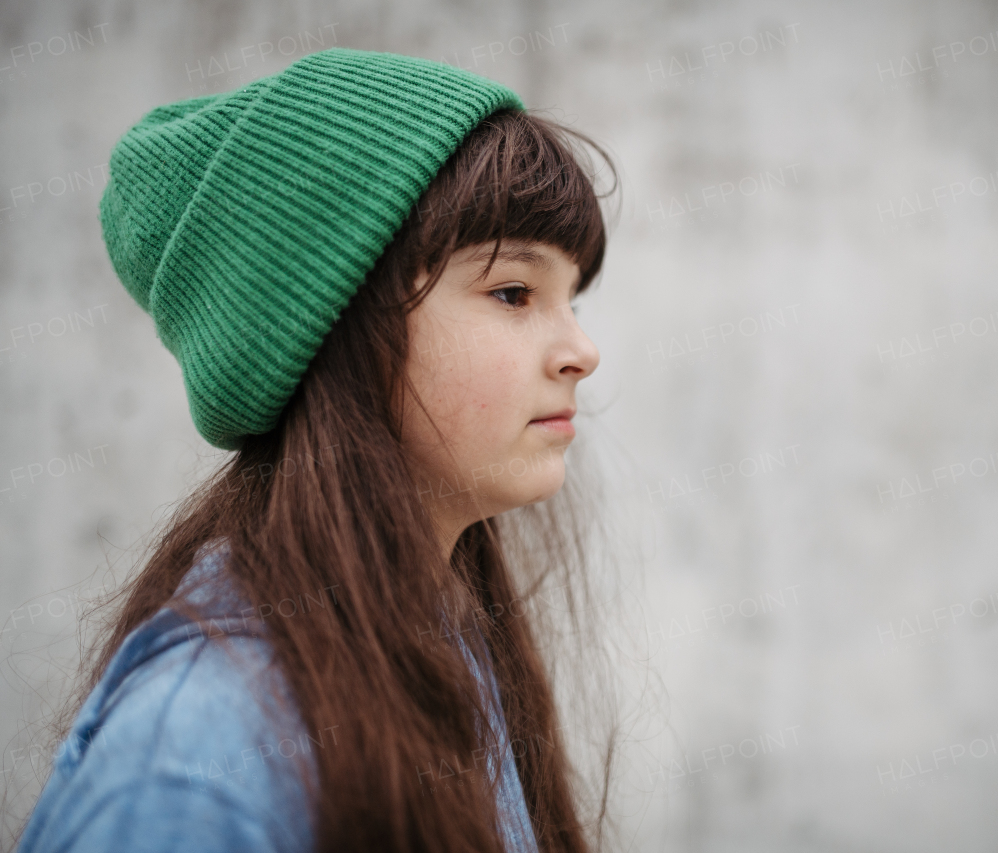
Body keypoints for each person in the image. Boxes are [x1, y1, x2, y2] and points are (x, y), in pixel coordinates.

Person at [14, 46, 617, 853]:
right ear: (331, 334)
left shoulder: (440, 639)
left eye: (569, 297)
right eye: (514, 292)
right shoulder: (199, 754)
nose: (582, 349)